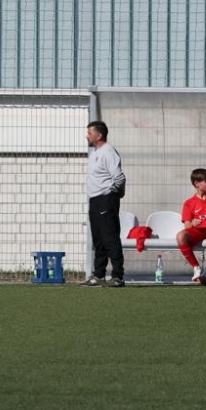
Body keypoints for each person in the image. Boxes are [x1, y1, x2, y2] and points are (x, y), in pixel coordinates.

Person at [82, 120, 126, 287]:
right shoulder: (95, 153)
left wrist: (114, 193)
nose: (87, 136)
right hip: (95, 200)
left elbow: (119, 177)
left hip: (106, 199)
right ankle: (98, 275)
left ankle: (117, 276)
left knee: (110, 238)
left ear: (99, 135)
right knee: (98, 239)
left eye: (90, 133)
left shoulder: (108, 152)